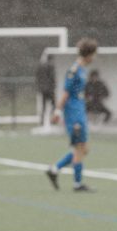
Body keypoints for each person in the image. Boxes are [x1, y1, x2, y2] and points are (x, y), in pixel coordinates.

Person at [45, 38, 97, 192]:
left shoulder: (82, 69)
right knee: (80, 147)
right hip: (73, 113)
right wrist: (57, 111)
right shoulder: (74, 70)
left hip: (79, 111)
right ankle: (77, 184)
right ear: (88, 54)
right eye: (94, 54)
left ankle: (55, 169)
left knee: (83, 148)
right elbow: (66, 93)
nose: (95, 58)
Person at [36, 55, 56, 127]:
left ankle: (42, 121)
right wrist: (53, 87)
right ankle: (52, 120)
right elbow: (52, 77)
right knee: (54, 104)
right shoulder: (51, 66)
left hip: (42, 89)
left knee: (43, 106)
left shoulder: (40, 66)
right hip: (49, 89)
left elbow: (38, 77)